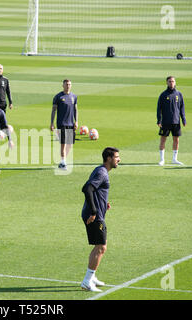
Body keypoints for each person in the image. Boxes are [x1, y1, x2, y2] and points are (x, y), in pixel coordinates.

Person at [80, 147, 120, 292]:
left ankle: (92, 277)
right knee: (101, 247)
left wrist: (103, 203)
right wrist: (95, 210)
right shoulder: (102, 172)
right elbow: (87, 188)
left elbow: (95, 190)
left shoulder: (100, 171)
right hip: (94, 216)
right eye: (116, 157)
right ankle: (87, 281)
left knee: (99, 246)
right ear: (109, 158)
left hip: (96, 214)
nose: (118, 159)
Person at [157, 76, 186, 166]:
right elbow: (159, 108)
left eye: (173, 81)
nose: (171, 83)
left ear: (175, 82)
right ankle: (162, 159)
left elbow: (182, 107)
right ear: (167, 83)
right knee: (163, 140)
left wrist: (183, 118)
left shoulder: (179, 94)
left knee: (176, 140)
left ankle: (174, 159)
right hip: (165, 121)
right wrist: (159, 120)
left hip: (176, 121)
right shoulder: (163, 95)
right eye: (169, 81)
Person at [50, 79, 78, 170]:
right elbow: (54, 110)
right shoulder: (58, 97)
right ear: (63, 86)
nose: (68, 86)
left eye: (69, 84)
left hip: (71, 123)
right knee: (63, 143)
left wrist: (76, 121)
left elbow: (75, 110)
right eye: (66, 84)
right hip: (61, 123)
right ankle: (63, 162)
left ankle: (63, 160)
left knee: (70, 144)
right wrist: (52, 123)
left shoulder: (74, 96)